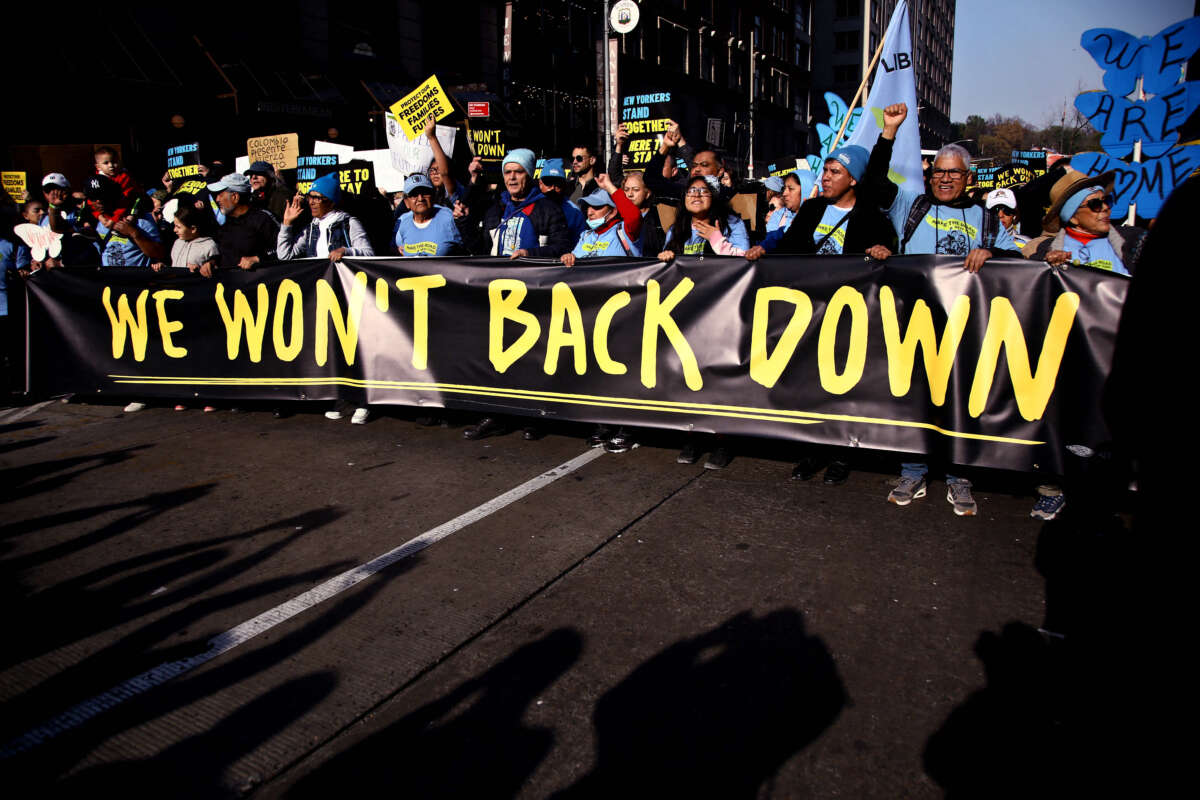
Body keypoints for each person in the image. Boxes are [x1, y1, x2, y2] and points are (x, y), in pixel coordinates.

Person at [863, 102, 1024, 516]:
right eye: (939, 172)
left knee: (961, 400)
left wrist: (991, 253)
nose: (945, 179)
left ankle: (958, 477)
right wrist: (889, 133)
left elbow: (1019, 265)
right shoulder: (912, 206)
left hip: (966, 329)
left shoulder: (987, 220)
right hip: (916, 325)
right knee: (916, 399)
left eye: (953, 173)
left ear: (968, 178)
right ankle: (913, 470)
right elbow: (874, 184)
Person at [746, 147, 897, 486]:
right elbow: (788, 246)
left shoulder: (871, 215)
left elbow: (890, 253)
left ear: (854, 179)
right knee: (809, 387)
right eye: (825, 170)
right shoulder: (813, 209)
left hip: (849, 319)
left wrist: (882, 251)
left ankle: (841, 455)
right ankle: (811, 450)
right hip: (810, 315)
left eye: (834, 172)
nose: (825, 177)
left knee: (842, 388)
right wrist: (764, 250)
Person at [151, 204, 219, 413]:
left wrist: (202, 269)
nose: (175, 230)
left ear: (194, 228)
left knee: (203, 354)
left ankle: (210, 395)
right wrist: (162, 267)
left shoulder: (209, 245)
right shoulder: (176, 244)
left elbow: (215, 270)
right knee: (181, 353)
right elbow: (173, 267)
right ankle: (184, 394)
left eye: (179, 226)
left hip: (200, 307)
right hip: (177, 306)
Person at [1022, 169, 1144, 276]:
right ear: (1072, 217)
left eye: (1106, 200)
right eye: (1095, 204)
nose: (1105, 207)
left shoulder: (1130, 239)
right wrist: (1047, 265)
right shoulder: (1046, 249)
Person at [477, 148, 571, 260]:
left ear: (529, 175)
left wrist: (529, 254)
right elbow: (481, 250)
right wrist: (462, 221)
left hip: (534, 275)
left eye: (518, 172)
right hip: (500, 275)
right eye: (507, 172)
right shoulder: (495, 209)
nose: (512, 177)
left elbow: (562, 248)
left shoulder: (549, 209)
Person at [278, 173, 375, 262]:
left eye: (317, 198)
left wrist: (345, 251)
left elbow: (369, 254)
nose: (311, 202)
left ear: (331, 201)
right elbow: (284, 256)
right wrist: (287, 223)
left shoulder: (348, 223)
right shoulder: (311, 229)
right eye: (310, 197)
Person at [657, 175, 750, 260]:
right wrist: (665, 256)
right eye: (691, 191)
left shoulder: (733, 223)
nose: (696, 195)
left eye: (704, 191)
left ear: (713, 197)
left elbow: (743, 261)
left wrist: (717, 240)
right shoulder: (674, 230)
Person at [85, 175, 166, 268]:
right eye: (93, 198)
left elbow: (159, 253)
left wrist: (133, 233)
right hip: (110, 281)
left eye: (102, 196)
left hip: (136, 280)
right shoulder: (97, 221)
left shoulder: (140, 219)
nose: (98, 201)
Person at [560, 173, 643, 263]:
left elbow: (634, 216)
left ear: (613, 212)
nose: (590, 212)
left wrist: (609, 187)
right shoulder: (586, 235)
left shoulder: (624, 231)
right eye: (588, 207)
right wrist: (569, 257)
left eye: (597, 207)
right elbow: (574, 260)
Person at [207, 172, 279, 270]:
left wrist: (257, 259)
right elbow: (222, 253)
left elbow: (283, 250)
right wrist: (211, 262)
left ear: (235, 197)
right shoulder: (225, 224)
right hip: (230, 283)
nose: (217, 199)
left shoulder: (262, 219)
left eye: (220, 194)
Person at [393, 173, 464, 256]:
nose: (420, 198)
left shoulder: (449, 218)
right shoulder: (403, 223)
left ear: (433, 196)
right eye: (414, 194)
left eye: (425, 192)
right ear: (406, 202)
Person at [538, 157, 587, 245]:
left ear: (564, 185)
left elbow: (580, 245)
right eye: (548, 182)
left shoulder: (574, 213)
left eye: (558, 184)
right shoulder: (528, 207)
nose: (552, 188)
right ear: (540, 183)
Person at [620, 171, 665, 256]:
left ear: (647, 193)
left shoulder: (658, 219)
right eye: (626, 190)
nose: (630, 194)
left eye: (636, 190)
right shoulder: (617, 218)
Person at [94, 146, 141, 220]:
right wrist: (99, 216)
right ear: (98, 167)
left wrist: (115, 218)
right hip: (105, 216)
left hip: (126, 212)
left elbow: (126, 200)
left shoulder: (125, 178)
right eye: (106, 163)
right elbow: (92, 202)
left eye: (114, 162)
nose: (111, 165)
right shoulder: (95, 181)